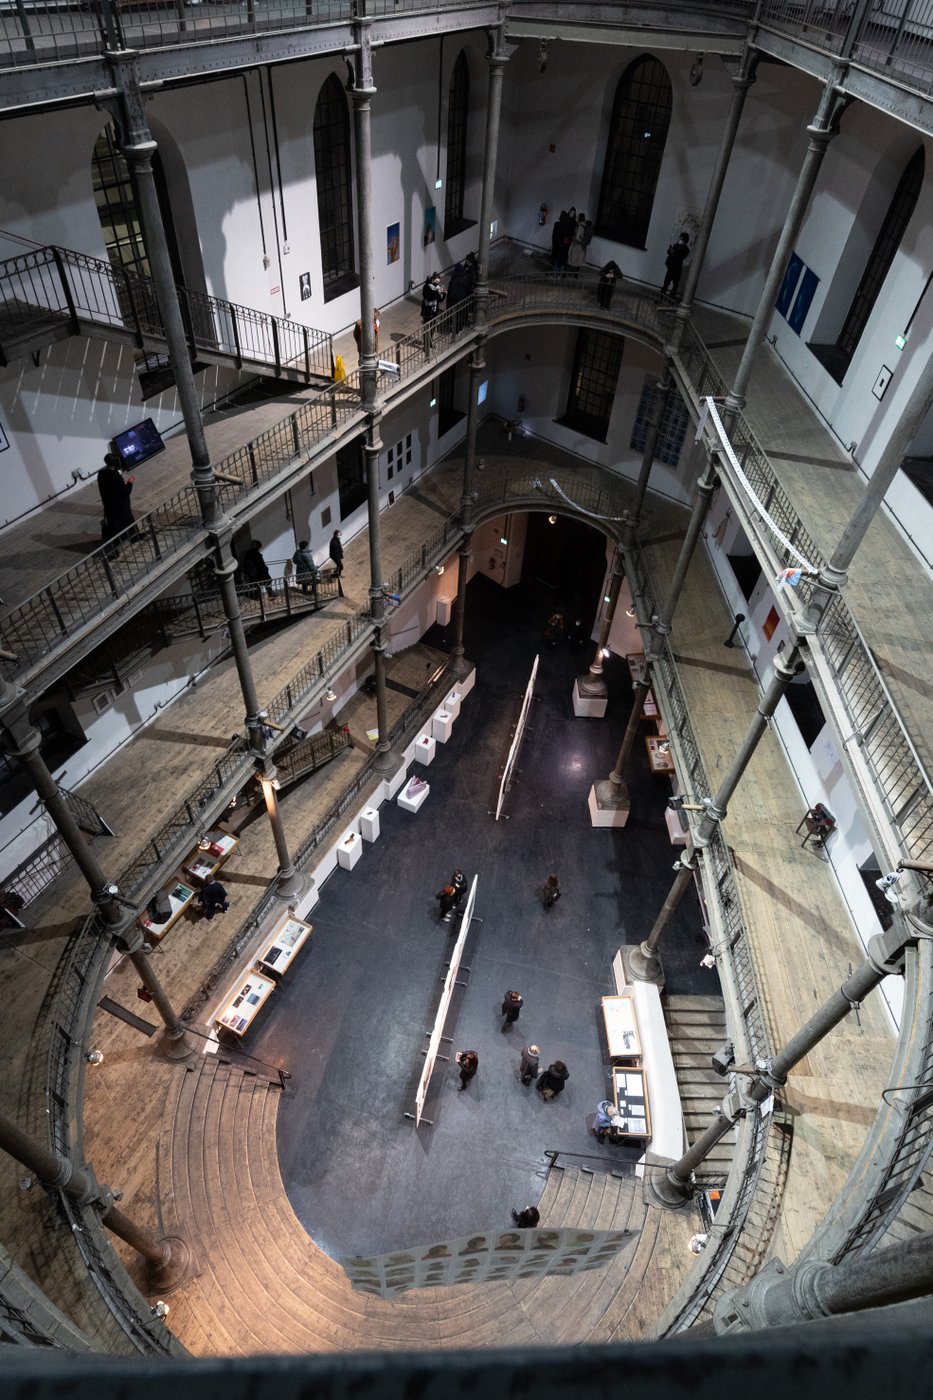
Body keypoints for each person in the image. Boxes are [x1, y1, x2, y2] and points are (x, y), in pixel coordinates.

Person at [97, 450, 136, 553]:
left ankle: (114, 547)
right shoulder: (115, 477)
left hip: (109, 506)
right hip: (120, 507)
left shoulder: (101, 474)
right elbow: (125, 492)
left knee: (113, 526)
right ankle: (130, 538)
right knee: (126, 522)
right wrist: (130, 482)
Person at [446, 257, 476, 333]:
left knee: (454, 316)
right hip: (463, 300)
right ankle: (460, 329)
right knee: (461, 315)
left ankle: (454, 331)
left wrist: (448, 295)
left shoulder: (455, 279)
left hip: (455, 301)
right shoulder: (466, 276)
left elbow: (452, 292)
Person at [421, 272, 445, 350]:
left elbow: (440, 300)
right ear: (433, 279)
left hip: (435, 311)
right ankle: (426, 345)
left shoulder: (437, 287)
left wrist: (443, 294)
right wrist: (436, 293)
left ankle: (430, 342)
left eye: (438, 283)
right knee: (427, 329)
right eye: (436, 282)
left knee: (433, 327)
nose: (437, 284)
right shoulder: (426, 287)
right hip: (427, 311)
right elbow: (429, 297)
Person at [662, 231, 690, 298]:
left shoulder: (686, 250)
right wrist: (669, 250)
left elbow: (679, 258)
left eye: (682, 239)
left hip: (677, 269)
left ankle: (671, 299)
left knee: (675, 286)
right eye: (680, 238)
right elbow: (670, 253)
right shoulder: (676, 245)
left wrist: (673, 252)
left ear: (685, 241)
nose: (680, 240)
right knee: (666, 283)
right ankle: (661, 297)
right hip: (671, 267)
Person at [328, 530, 344, 596]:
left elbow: (339, 548)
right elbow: (335, 553)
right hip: (335, 556)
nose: (340, 536)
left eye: (340, 534)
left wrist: (341, 553)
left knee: (338, 565)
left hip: (337, 555)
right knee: (341, 566)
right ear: (335, 535)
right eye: (339, 534)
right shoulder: (334, 542)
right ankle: (335, 574)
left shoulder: (336, 540)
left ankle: (338, 574)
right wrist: (339, 559)